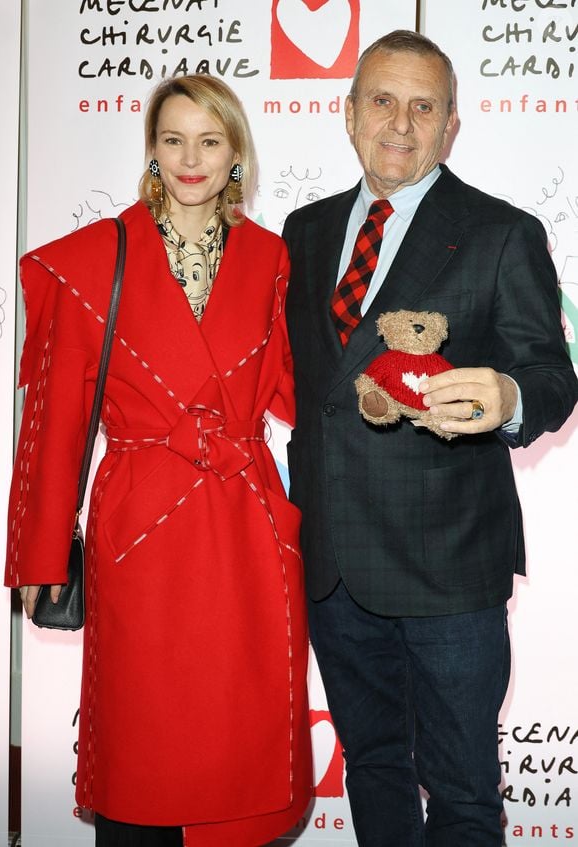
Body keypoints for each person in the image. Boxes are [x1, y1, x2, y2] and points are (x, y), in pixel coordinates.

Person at [282, 29, 578, 847]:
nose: (401, 124)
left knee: (462, 794)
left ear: (452, 127)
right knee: (373, 766)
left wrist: (509, 394)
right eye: (382, 101)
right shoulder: (301, 233)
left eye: (424, 107)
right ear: (349, 116)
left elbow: (554, 377)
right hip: (334, 565)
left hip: (450, 569)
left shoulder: (500, 232)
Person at [6, 74, 312, 846]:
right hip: (142, 526)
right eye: (173, 139)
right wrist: (40, 553)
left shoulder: (274, 259)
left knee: (237, 746)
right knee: (147, 745)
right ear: (151, 148)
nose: (191, 158)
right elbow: (57, 423)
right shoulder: (91, 260)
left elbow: (298, 396)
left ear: (236, 152)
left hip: (246, 525)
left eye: (210, 141)